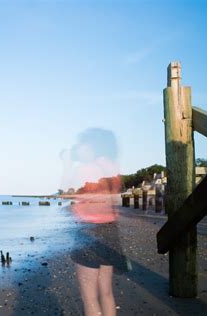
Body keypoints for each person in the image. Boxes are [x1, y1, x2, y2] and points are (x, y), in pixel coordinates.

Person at [61, 128, 126, 316]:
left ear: (92, 146)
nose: (77, 148)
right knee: (106, 292)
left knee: (89, 296)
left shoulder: (85, 169)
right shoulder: (111, 165)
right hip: (110, 230)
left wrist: (66, 166)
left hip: (88, 231)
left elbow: (66, 192)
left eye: (81, 144)